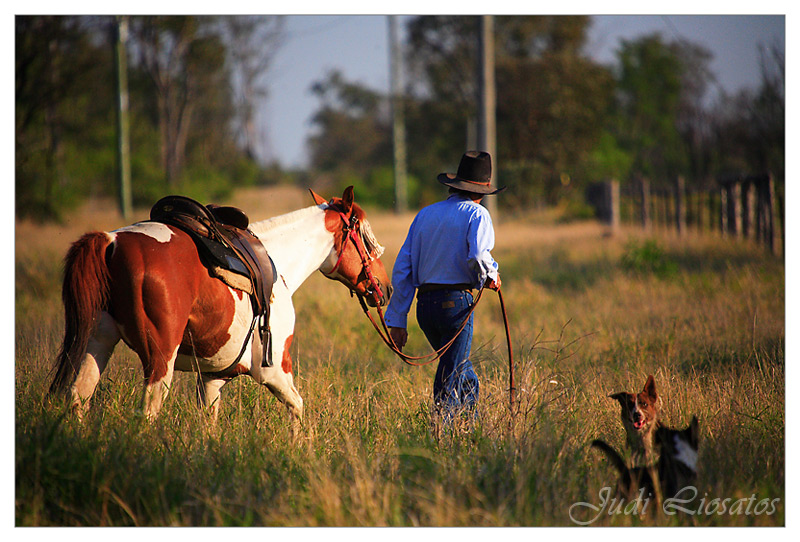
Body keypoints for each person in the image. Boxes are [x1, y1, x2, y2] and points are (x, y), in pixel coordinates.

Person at [384, 150, 505, 423]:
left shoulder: (425, 215)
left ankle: (468, 431)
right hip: (456, 306)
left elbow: (403, 268)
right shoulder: (478, 214)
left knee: (464, 374)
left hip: (425, 309)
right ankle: (443, 433)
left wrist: (398, 319)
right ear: (482, 191)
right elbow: (478, 256)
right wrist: (491, 276)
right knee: (452, 374)